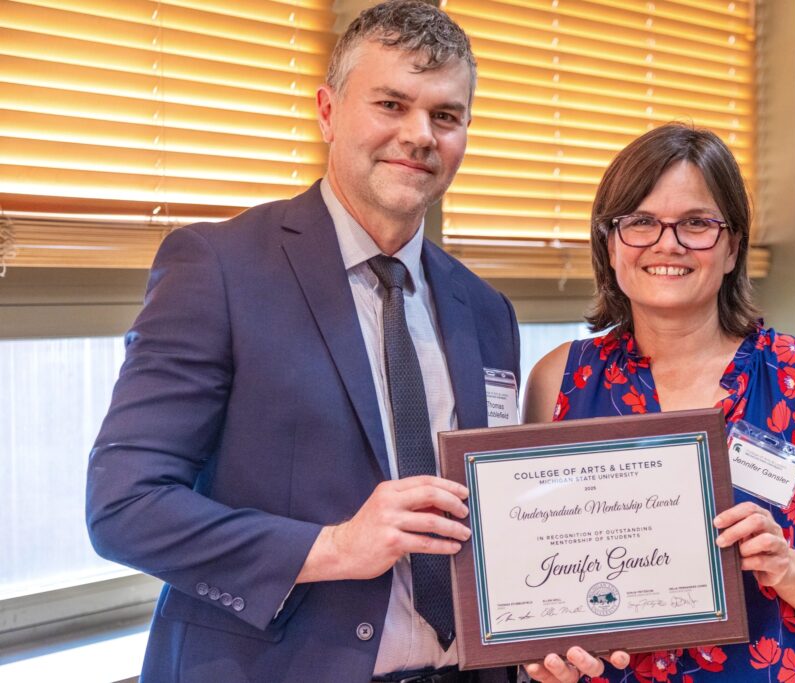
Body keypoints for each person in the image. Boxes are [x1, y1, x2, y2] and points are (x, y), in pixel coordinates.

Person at [86, 2, 622, 681]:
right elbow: (124, 508)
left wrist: (549, 622)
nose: (420, 134)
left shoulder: (486, 311)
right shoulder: (218, 267)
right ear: (328, 110)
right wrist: (336, 546)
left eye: (446, 115)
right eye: (392, 104)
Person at [523, 123, 795, 683]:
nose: (668, 244)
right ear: (611, 243)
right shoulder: (558, 380)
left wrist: (787, 567)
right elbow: (536, 578)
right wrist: (544, 656)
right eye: (640, 222)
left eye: (696, 223)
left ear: (733, 244)